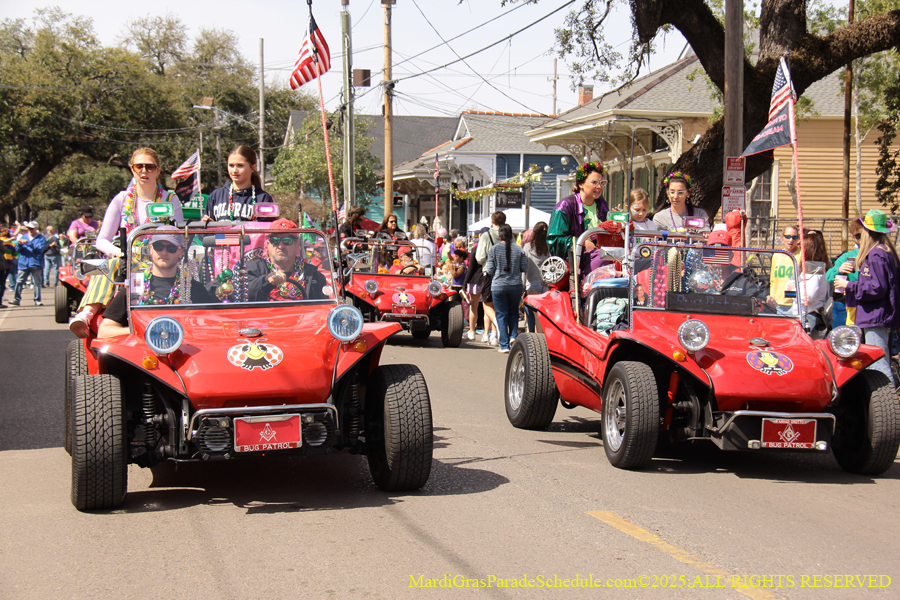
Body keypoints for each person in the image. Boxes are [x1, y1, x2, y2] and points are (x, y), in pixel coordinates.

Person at [70, 147, 184, 337]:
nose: (144, 171)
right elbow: (102, 241)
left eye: (150, 167)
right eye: (139, 166)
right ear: (132, 169)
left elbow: (179, 236)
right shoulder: (122, 199)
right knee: (110, 263)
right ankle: (87, 313)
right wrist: (120, 253)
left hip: (161, 258)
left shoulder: (170, 199)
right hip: (128, 261)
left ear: (158, 170)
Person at [97, 227, 213, 338]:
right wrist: (141, 330)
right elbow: (103, 331)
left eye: (171, 248)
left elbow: (209, 327)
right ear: (151, 250)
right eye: (159, 247)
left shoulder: (195, 288)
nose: (164, 252)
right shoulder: (135, 285)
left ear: (181, 252)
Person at [834, 209, 900, 385]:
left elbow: (877, 287)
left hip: (876, 315)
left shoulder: (876, 255)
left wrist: (849, 285)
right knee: (877, 359)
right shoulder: (884, 251)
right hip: (879, 314)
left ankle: (888, 405)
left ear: (867, 231)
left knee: (878, 362)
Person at [247, 219, 330, 301]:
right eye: (275, 241)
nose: (280, 246)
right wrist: (265, 280)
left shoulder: (313, 275)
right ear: (268, 245)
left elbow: (324, 308)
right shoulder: (253, 270)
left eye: (287, 241)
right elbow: (242, 295)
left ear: (297, 245)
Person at [548, 161, 609, 270]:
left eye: (602, 182)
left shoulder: (602, 205)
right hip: (573, 266)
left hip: (602, 260)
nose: (599, 186)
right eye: (594, 182)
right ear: (580, 183)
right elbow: (554, 241)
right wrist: (581, 243)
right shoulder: (564, 207)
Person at [484, 224, 527, 353]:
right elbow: (524, 268)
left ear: (499, 235)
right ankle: (513, 336)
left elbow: (490, 269)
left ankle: (504, 345)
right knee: (514, 312)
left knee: (501, 315)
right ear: (511, 235)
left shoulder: (494, 249)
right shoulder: (519, 249)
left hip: (498, 285)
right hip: (515, 285)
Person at [204, 146, 273, 222]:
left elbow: (267, 231)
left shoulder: (263, 199)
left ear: (253, 167)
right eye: (231, 165)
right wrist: (207, 224)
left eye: (240, 165)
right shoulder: (216, 196)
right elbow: (204, 232)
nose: (234, 170)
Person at [826, 219, 863, 326]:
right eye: (858, 236)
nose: (861, 239)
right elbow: (828, 276)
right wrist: (839, 270)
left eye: (863, 235)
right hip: (853, 303)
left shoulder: (877, 254)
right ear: (853, 238)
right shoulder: (847, 256)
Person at [796, 229, 831, 332]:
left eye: (803, 247)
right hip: (806, 314)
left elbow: (808, 296)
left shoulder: (814, 271)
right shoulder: (814, 268)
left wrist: (794, 292)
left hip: (809, 317)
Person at [765, 225, 802, 315]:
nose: (791, 240)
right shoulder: (777, 255)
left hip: (793, 304)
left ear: (798, 239)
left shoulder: (801, 255)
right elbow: (773, 280)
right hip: (777, 304)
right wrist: (771, 297)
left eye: (794, 237)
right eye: (788, 237)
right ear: (782, 237)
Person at [522, 221, 551, 333]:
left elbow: (524, 267)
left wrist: (523, 285)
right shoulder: (549, 247)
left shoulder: (528, 247)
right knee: (543, 315)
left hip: (531, 285)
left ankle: (534, 338)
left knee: (531, 315)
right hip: (546, 284)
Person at [11, 221, 46, 306]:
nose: (30, 230)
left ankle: (37, 300)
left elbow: (39, 249)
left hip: (35, 263)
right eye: (28, 228)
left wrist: (28, 243)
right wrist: (19, 244)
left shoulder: (41, 238)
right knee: (19, 281)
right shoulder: (24, 236)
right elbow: (18, 250)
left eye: (31, 228)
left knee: (36, 283)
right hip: (24, 262)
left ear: (36, 229)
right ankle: (16, 299)